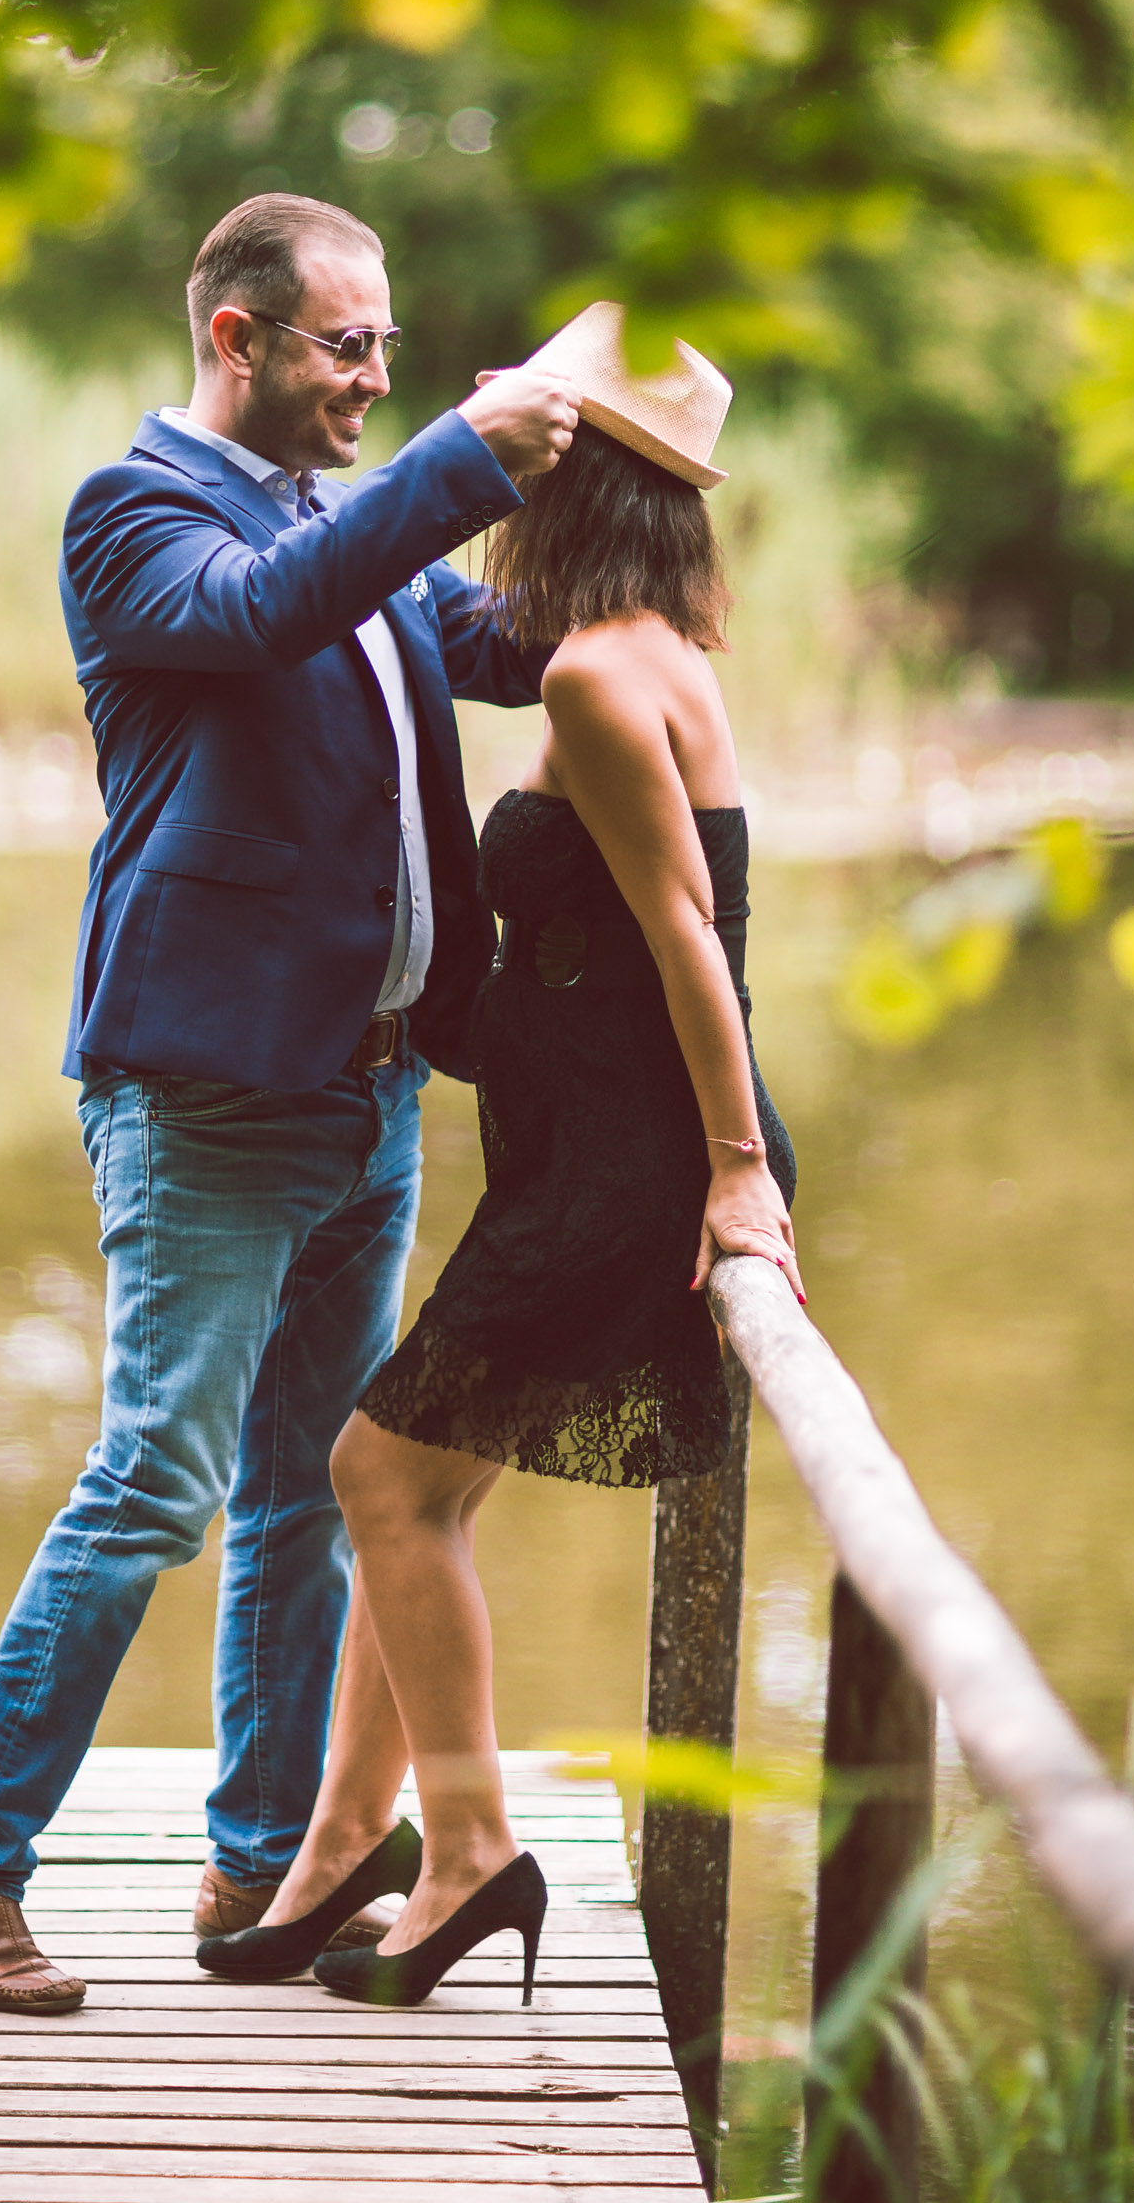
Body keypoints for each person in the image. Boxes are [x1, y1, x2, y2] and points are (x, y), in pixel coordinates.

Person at [0, 192, 578, 2013]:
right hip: (205, 1095)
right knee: (157, 1484)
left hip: (370, 1093)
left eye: (390, 348)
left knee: (300, 1496)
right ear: (238, 339)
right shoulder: (141, 514)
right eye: (347, 343)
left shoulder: (351, 520)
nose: (375, 372)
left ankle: (261, 1864)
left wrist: (606, 488)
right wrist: (456, 462)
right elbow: (264, 621)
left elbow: (503, 648)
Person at [195, 299, 802, 2008]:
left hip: (626, 1168)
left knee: (382, 1477)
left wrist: (737, 1164)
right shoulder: (623, 649)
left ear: (577, 475)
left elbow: (693, 934)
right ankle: (339, 1849)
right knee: (426, 1484)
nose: (501, 458)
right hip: (582, 1156)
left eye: (533, 437)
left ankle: (464, 1858)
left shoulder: (609, 679)